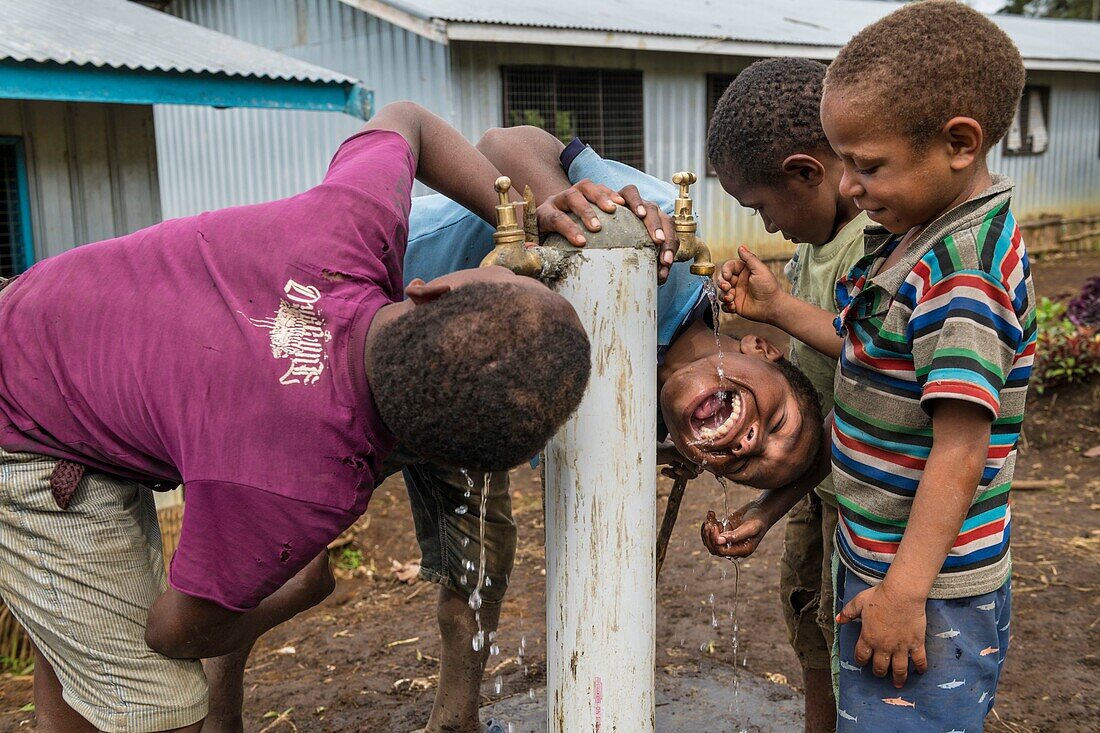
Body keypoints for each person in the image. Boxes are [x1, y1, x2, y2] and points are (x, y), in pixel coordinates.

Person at [0, 101, 599, 733]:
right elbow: (172, 633)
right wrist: (286, 595)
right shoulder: (302, 487)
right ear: (466, 463)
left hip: (45, 321)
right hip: (30, 436)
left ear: (428, 290)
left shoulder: (351, 227)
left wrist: (522, 223)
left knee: (84, 643)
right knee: (162, 707)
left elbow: (407, 122)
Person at [373, 123, 824, 733]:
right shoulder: (657, 233)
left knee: (480, 557)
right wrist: (573, 209)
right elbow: (506, 144)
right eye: (776, 423)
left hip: (452, 396)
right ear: (764, 350)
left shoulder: (646, 405)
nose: (748, 441)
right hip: (373, 303)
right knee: (281, 553)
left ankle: (454, 719)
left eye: (741, 464)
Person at [705, 2, 1034, 730]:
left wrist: (905, 592)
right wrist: (782, 309)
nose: (849, 187)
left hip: (930, 583)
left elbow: (961, 445)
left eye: (866, 165)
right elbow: (868, 346)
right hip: (882, 552)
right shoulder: (915, 239)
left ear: (958, 143)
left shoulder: (963, 273)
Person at [702, 57, 869, 733]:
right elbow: (816, 382)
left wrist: (777, 311)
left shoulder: (875, 246)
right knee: (812, 623)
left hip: (868, 502)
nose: (767, 227)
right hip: (820, 485)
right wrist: (776, 364)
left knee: (857, 643)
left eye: (762, 207)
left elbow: (873, 353)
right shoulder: (811, 251)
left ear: (805, 172)